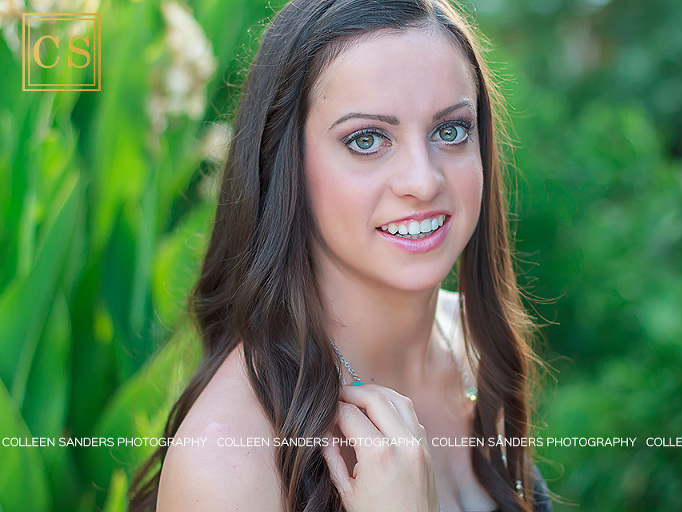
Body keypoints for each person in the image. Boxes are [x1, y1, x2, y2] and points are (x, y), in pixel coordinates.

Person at [128, 0, 552, 510]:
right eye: (367, 139)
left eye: (450, 130)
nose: (423, 180)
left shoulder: (467, 346)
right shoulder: (228, 462)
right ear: (284, 165)